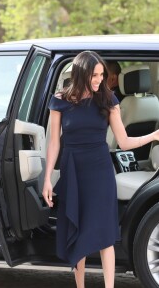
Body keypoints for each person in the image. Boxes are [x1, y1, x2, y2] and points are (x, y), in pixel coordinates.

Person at [42, 51, 159, 288]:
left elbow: (124, 142)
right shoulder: (60, 101)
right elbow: (54, 141)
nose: (99, 80)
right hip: (73, 170)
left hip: (100, 171)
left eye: (101, 75)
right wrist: (46, 179)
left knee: (105, 235)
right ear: (81, 74)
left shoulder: (109, 100)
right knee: (78, 230)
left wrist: (154, 135)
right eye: (94, 75)